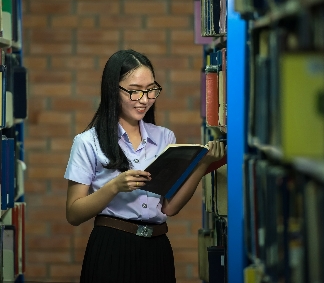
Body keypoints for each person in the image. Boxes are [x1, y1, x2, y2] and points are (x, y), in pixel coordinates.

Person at [64, 49, 225, 283]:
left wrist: (201, 166)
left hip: (157, 247)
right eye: (135, 91)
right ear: (113, 90)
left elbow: (169, 208)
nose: (144, 100)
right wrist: (114, 186)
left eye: (151, 90)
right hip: (111, 246)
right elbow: (73, 213)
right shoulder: (87, 142)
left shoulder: (165, 138)